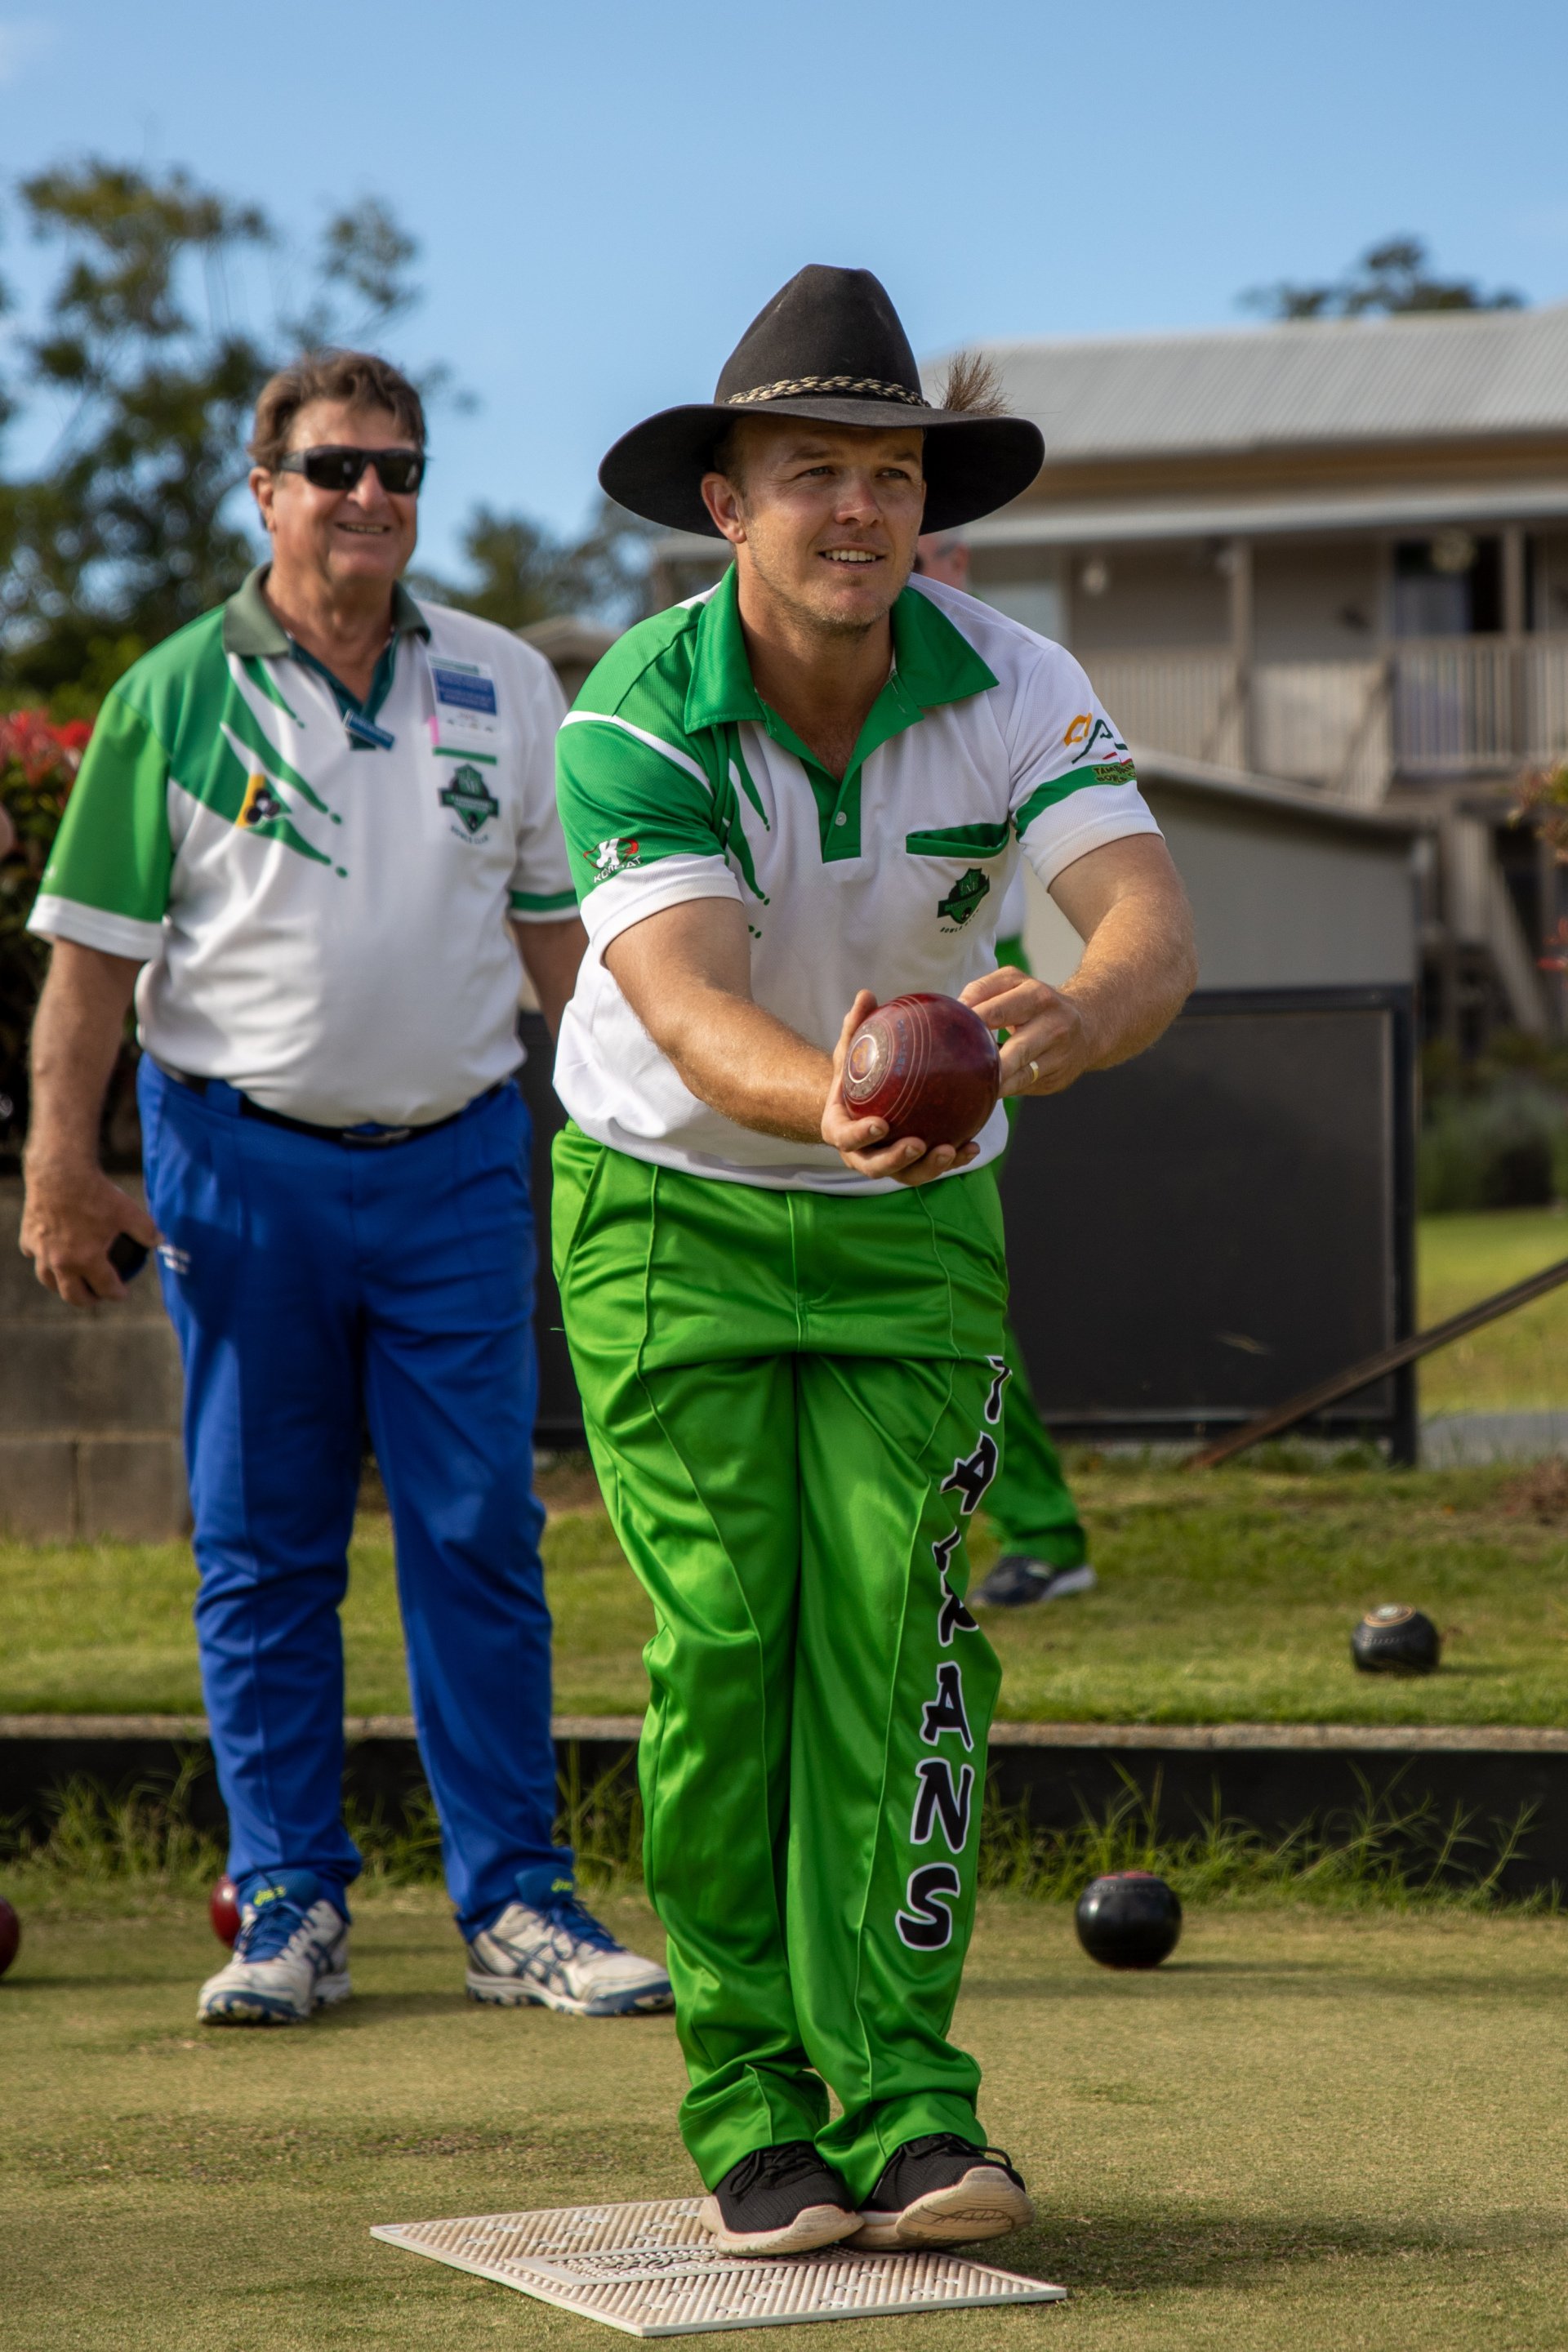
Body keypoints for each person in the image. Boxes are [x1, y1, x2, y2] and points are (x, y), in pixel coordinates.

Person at [550, 266, 1196, 2256]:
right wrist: (828, 1098)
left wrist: (1082, 1014)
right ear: (725, 505)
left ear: (929, 504)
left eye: (892, 475)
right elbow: (686, 1009)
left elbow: (1145, 922)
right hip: (671, 1206)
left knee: (901, 1642)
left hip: (916, 1225)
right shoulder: (635, 709)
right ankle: (752, 2102)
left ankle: (912, 2105)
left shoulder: (1012, 675)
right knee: (729, 1640)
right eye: (811, 471)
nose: (857, 509)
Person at [20, 348, 670, 2029]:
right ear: (267, 491)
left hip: (459, 1157)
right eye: (335, 467)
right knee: (262, 1546)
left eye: (401, 468)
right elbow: (92, 963)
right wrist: (62, 1164)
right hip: (237, 1169)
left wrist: (650, 1119)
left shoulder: (509, 681)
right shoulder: (173, 693)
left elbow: (558, 941)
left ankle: (516, 1907)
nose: (371, 495)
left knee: (479, 1535)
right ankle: (290, 1903)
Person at [914, 530, 1096, 1609]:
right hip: (820, 1013)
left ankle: (1039, 1525)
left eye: (943, 548)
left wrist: (1097, 1004)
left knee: (950, 1285)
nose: (929, 568)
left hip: (967, 992)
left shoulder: (1011, 675)